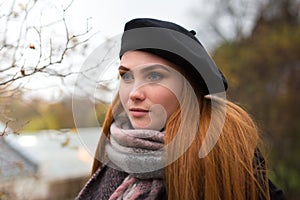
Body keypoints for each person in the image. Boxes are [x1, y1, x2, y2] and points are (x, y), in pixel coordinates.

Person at [76, 18, 285, 200]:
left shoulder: (226, 161)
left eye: (154, 76)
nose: (134, 93)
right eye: (126, 76)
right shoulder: (114, 149)